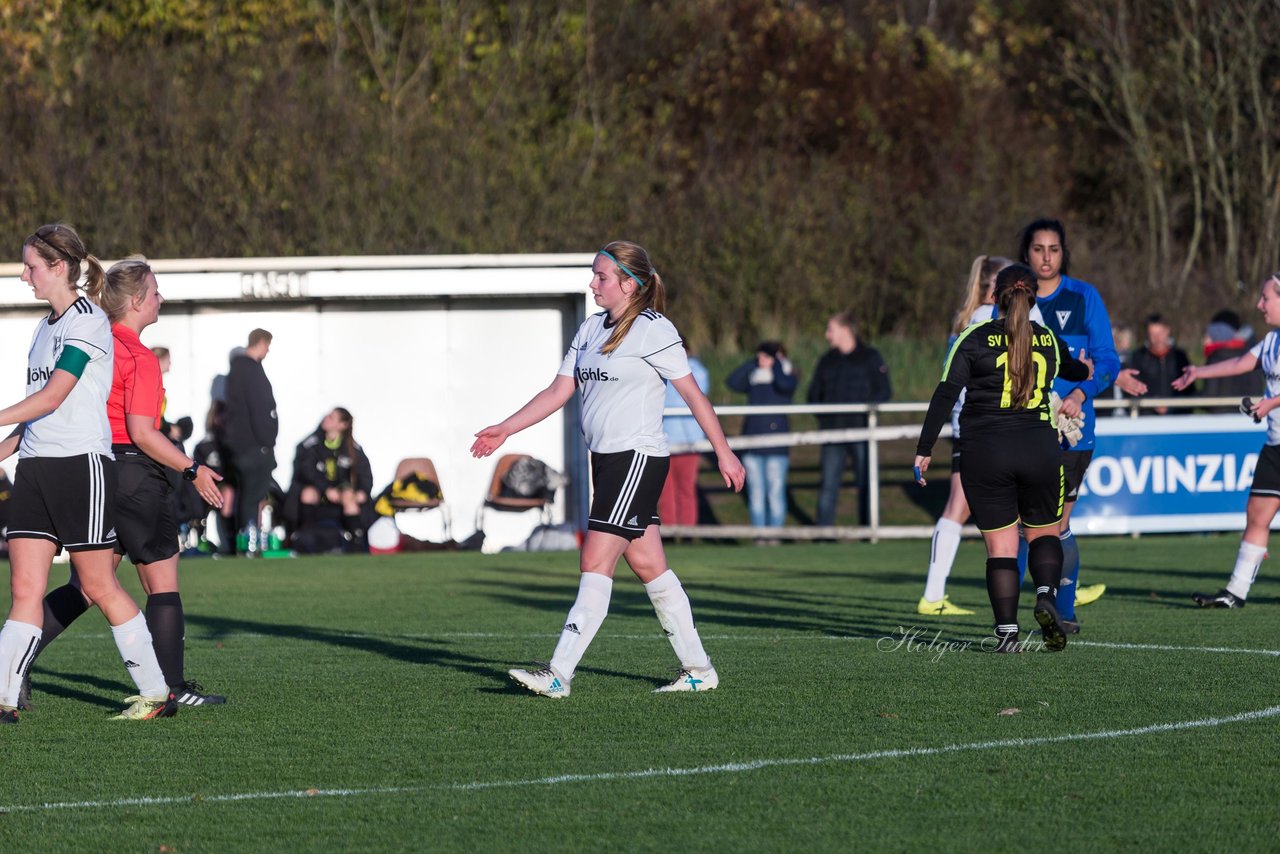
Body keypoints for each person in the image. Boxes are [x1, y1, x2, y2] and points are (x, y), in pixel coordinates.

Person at [471, 240, 745, 698]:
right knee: (648, 564)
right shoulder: (590, 329)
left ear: (629, 283)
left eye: (601, 276)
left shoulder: (654, 330)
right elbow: (557, 392)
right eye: (594, 275)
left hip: (637, 458)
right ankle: (699, 670)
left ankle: (558, 674)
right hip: (609, 463)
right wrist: (505, 428)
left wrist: (724, 451)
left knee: (595, 560)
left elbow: (695, 395)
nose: (592, 283)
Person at [22, 258, 228, 710]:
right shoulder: (138, 356)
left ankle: (15, 665)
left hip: (92, 469)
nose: (161, 300)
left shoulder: (89, 340)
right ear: (136, 302)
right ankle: (170, 688)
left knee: (87, 586)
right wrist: (192, 469)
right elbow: (142, 432)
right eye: (155, 292)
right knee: (162, 585)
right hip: (136, 473)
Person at [0, 224, 176, 722]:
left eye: (31, 265)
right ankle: (4, 699)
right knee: (23, 592)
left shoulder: (89, 321)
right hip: (35, 469)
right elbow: (39, 413)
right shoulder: (43, 326)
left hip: (82, 468)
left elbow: (56, 394)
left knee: (98, 586)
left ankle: (157, 694)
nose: (24, 275)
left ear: (58, 268)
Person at [915, 263, 1092, 652]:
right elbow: (1076, 367)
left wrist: (924, 449)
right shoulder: (1045, 338)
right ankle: (1045, 595)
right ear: (1033, 298)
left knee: (1001, 547)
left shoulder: (973, 338)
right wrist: (1086, 368)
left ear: (994, 296)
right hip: (1040, 450)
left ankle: (1007, 635)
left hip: (986, 453)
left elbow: (946, 394)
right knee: (1044, 533)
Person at [1018, 218, 1138, 630]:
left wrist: (1079, 393)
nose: (1046, 257)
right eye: (1038, 249)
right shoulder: (1016, 299)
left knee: (1055, 524)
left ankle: (1061, 610)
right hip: (1023, 428)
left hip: (1073, 432)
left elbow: (1107, 360)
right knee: (1022, 524)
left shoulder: (1084, 297)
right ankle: (1016, 612)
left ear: (1063, 253)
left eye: (1054, 249)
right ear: (1026, 253)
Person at [1172, 274, 1280, 608]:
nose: (1259, 304)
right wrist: (1198, 372)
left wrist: (1270, 403)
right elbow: (1240, 363)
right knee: (1257, 515)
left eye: (1265, 298)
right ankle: (1235, 592)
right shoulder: (1271, 341)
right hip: (1275, 445)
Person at [918, 254, 1017, 615]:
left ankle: (933, 594)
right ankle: (932, 595)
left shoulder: (966, 318)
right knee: (959, 509)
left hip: (972, 423)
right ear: (995, 288)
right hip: (981, 424)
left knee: (960, 509)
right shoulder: (984, 320)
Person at [807, 311, 891, 528]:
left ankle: (868, 532)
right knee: (828, 485)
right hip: (832, 432)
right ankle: (822, 535)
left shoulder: (870, 357)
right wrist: (825, 416)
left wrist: (867, 413)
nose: (827, 335)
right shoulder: (827, 361)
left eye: (830, 329)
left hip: (861, 431)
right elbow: (813, 395)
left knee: (866, 482)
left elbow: (883, 390)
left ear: (845, 330)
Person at [726, 340, 798, 539]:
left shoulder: (787, 374)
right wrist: (753, 363)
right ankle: (759, 536)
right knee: (756, 494)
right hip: (752, 444)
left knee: (775, 493)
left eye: (767, 355)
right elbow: (732, 382)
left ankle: (774, 536)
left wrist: (774, 364)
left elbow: (784, 385)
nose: (763, 360)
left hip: (777, 446)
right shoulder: (754, 376)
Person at [289, 407, 375, 552]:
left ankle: (356, 543)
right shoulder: (310, 445)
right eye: (327, 416)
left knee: (349, 496)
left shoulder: (352, 449)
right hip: (320, 492)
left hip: (342, 495)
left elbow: (365, 474)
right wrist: (326, 490)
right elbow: (305, 472)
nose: (326, 419)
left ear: (342, 425)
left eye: (331, 418)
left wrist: (363, 492)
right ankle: (306, 538)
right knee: (308, 493)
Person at [224, 328, 278, 555]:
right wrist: (267, 441)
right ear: (261, 342)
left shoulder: (235, 371)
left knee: (247, 494)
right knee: (253, 495)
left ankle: (245, 540)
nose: (267, 351)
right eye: (267, 345)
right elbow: (259, 408)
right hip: (255, 446)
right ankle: (249, 541)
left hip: (240, 446)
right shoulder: (251, 370)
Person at [657, 339, 709, 530]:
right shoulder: (659, 368)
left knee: (685, 487)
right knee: (665, 489)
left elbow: (690, 396)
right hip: (664, 438)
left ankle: (687, 529)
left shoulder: (697, 370)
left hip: (689, 440)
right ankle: (669, 528)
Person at [1125, 313, 1194, 414]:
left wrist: (1172, 404)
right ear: (1147, 335)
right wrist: (1152, 402)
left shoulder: (1180, 357)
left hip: (1178, 418)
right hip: (1147, 419)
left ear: (1168, 331)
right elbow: (1131, 388)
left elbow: (1190, 389)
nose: (1157, 338)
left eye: (1160, 333)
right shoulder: (1138, 357)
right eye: (1152, 334)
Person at [1200, 309, 1261, 410]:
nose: (1204, 342)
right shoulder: (1253, 355)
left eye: (1208, 336)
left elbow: (1209, 395)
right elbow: (1257, 390)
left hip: (1221, 419)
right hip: (1246, 418)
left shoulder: (1215, 358)